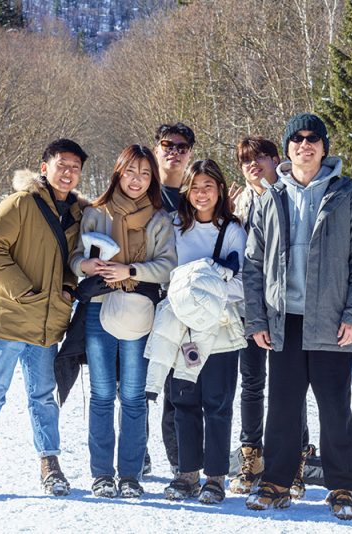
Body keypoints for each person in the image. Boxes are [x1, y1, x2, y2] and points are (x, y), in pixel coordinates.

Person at [243, 113, 352, 520]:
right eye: (297, 139)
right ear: (287, 148)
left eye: (313, 139)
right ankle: (277, 483)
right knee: (283, 406)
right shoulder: (273, 197)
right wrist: (257, 320)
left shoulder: (345, 196)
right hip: (284, 319)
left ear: (324, 147)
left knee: (334, 406)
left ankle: (341, 487)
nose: (305, 145)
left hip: (332, 320)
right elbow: (253, 264)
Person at [0, 139, 89, 500]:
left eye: (74, 167)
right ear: (44, 167)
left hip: (47, 323)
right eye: (61, 165)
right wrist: (23, 291)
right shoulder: (21, 203)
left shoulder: (77, 214)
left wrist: (67, 289)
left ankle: (50, 464)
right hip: (10, 318)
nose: (68, 172)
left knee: (43, 396)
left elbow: (72, 262)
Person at [69, 145, 177, 499]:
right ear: (118, 172)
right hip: (100, 309)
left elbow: (168, 266)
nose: (137, 180)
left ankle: (130, 475)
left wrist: (130, 270)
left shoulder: (159, 219)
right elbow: (76, 256)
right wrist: (84, 266)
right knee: (101, 395)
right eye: (131, 172)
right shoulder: (97, 213)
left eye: (146, 174)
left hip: (139, 312)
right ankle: (101, 474)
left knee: (133, 396)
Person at [160, 159, 248, 504]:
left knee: (218, 403)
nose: (201, 193)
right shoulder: (175, 227)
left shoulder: (233, 231)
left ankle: (215, 477)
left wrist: (205, 291)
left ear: (220, 190)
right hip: (182, 330)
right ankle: (186, 473)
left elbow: (243, 283)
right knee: (183, 401)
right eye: (194, 187)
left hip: (221, 329)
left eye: (208, 186)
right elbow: (167, 274)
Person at [229, 136, 312, 498]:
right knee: (251, 382)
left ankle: (295, 459)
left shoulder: (289, 195)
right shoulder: (238, 205)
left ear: (276, 159)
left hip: (287, 308)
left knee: (290, 387)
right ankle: (253, 455)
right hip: (251, 307)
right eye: (245, 159)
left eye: (260, 157)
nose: (253, 164)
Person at [152, 122, 196, 476]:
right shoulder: (141, 190)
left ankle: (179, 460)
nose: (175, 152)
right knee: (135, 383)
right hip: (142, 297)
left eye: (182, 147)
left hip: (180, 305)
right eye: (168, 145)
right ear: (157, 149)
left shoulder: (193, 198)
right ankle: (136, 453)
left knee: (176, 385)